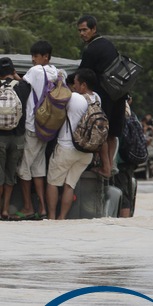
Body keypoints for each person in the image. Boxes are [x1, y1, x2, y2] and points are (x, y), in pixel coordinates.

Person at [14, 40, 64, 220]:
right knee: (38, 167)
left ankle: (28, 206)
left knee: (24, 168)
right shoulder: (58, 73)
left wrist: (14, 77)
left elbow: (23, 87)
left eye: (36, 56)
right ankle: (42, 207)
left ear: (46, 57)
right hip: (48, 127)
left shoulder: (35, 71)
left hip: (32, 125)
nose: (34, 60)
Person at [45, 69, 101, 220]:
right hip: (86, 152)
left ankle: (51, 217)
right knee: (70, 185)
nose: (73, 86)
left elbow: (56, 97)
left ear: (83, 84)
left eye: (75, 83)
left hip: (67, 147)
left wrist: (60, 80)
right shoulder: (97, 98)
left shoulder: (75, 98)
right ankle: (62, 217)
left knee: (53, 182)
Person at [77, 15, 126, 178]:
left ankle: (104, 167)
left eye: (85, 30)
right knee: (112, 133)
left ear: (94, 29)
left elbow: (81, 74)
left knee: (101, 132)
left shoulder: (91, 50)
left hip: (105, 96)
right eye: (79, 31)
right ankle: (111, 166)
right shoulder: (109, 45)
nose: (82, 34)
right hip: (119, 94)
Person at [0, 57, 30, 220]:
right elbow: (22, 82)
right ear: (13, 71)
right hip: (17, 137)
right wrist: (17, 77)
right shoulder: (23, 86)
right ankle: (5, 210)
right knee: (10, 175)